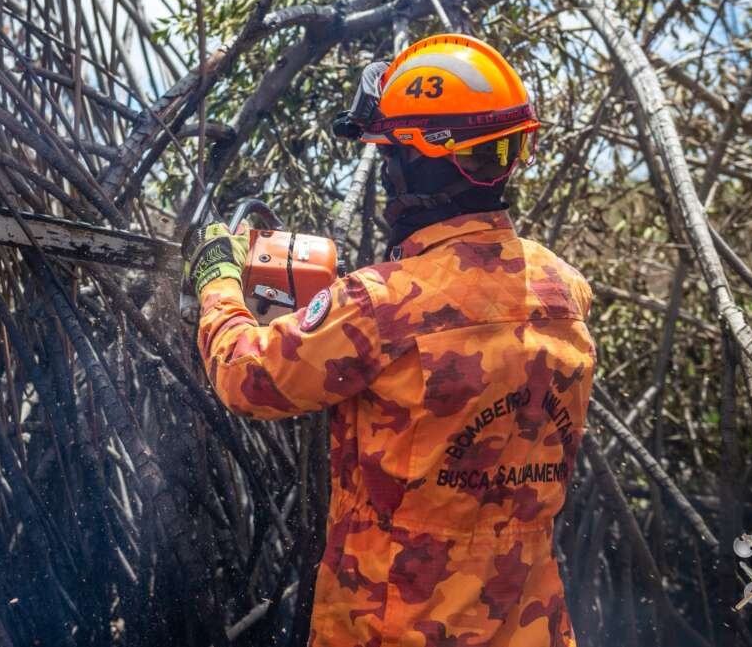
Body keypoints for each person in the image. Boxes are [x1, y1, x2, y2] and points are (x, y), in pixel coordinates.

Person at [185, 33, 596, 646]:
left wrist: (219, 284)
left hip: (396, 628)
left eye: (389, 156)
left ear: (419, 159)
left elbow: (249, 378)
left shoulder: (379, 307)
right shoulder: (566, 291)